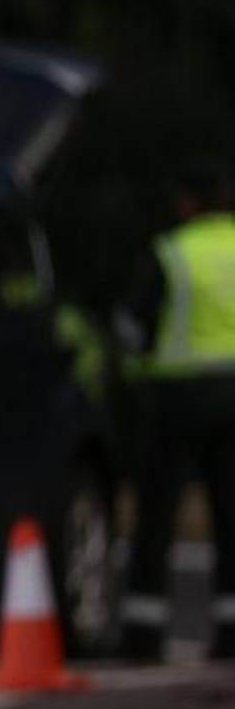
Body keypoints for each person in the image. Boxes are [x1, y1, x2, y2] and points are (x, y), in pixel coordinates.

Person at [118, 156, 235, 660]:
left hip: (179, 398)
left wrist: (134, 367)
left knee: (157, 514)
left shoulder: (173, 252)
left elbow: (132, 326)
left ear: (188, 203)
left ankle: (143, 631)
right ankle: (230, 631)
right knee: (231, 515)